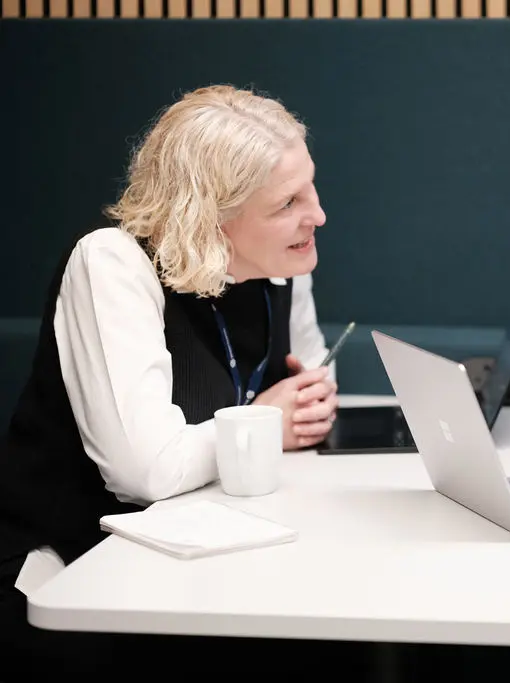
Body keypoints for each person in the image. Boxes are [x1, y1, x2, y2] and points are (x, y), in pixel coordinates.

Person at [0, 85, 346, 676]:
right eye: (287, 202)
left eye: (309, 186)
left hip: (204, 557)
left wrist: (308, 407)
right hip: (76, 566)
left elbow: (309, 373)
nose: (317, 215)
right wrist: (265, 423)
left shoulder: (282, 259)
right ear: (215, 220)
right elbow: (145, 471)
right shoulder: (112, 262)